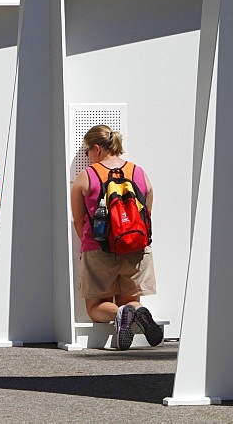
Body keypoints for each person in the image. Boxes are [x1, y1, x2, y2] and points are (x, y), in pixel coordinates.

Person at [69, 125, 163, 351]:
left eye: (86, 151)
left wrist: (91, 244)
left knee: (96, 308)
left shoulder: (87, 176)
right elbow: (147, 215)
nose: (87, 156)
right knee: (131, 299)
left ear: (97, 148)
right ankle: (135, 312)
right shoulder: (139, 172)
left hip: (99, 249)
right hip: (136, 248)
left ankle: (122, 314)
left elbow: (79, 221)